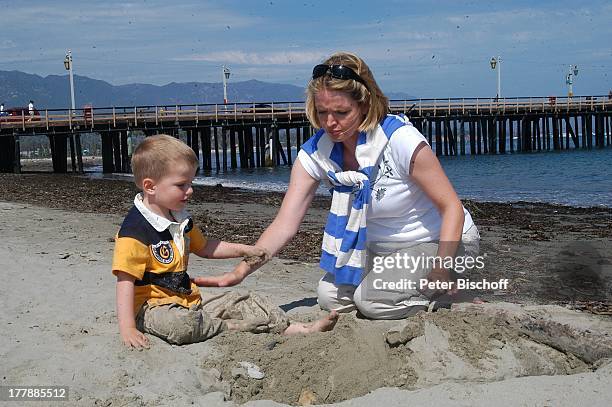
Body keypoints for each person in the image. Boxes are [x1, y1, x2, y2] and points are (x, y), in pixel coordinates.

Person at [198, 52, 480, 320]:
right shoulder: (317, 153)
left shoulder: (400, 140)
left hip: (440, 242)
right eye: (322, 112)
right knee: (329, 297)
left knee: (371, 301)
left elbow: (452, 207)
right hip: (380, 249)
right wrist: (241, 271)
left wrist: (442, 268)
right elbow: (284, 225)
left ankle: (454, 294)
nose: (330, 123)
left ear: (365, 105)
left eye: (341, 112)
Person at [112, 134, 337, 349]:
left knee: (246, 301)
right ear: (150, 186)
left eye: (191, 182)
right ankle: (229, 327)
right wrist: (127, 328)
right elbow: (125, 281)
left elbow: (206, 247)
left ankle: (296, 328)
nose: (190, 191)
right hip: (151, 308)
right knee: (182, 326)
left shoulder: (178, 217)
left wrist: (244, 250)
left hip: (188, 298)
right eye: (181, 185)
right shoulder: (135, 231)